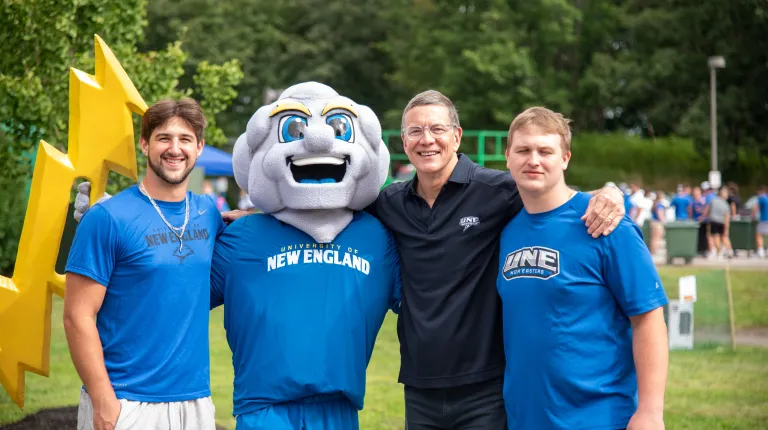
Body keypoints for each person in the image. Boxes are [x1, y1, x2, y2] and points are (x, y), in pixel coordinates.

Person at [368, 90, 626, 429]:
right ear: (403, 140)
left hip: (485, 387)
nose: (426, 140)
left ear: (456, 136)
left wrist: (609, 193)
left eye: (437, 129)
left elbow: (555, 198)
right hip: (419, 385)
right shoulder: (390, 202)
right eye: (415, 131)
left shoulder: (497, 191)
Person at [498, 106, 668, 430]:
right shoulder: (506, 231)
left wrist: (650, 411)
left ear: (565, 159)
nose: (533, 159)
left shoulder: (606, 224)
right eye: (523, 150)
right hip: (524, 418)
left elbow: (648, 316)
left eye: (545, 151)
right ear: (508, 157)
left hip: (598, 417)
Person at [64, 98, 223, 430]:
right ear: (144, 143)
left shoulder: (208, 213)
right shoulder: (107, 219)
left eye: (185, 139)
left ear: (200, 147)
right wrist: (103, 399)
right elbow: (77, 315)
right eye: (164, 137)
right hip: (126, 400)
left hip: (194, 401)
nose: (174, 148)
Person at [706, 186, 733, 259]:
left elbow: (707, 211)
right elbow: (727, 216)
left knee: (716, 237)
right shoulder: (725, 204)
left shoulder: (714, 201)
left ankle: (719, 252)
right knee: (724, 237)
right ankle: (729, 251)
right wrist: (727, 228)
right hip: (721, 222)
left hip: (715, 221)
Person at [753, 185, 768, 258]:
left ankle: (760, 251)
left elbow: (755, 207)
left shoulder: (761, 198)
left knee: (758, 235)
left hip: (764, 219)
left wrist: (752, 216)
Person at [650, 191, 666, 256]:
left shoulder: (655, 204)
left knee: (653, 237)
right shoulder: (659, 205)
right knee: (657, 237)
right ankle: (655, 251)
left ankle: (653, 250)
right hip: (657, 223)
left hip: (653, 222)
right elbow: (660, 215)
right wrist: (663, 222)